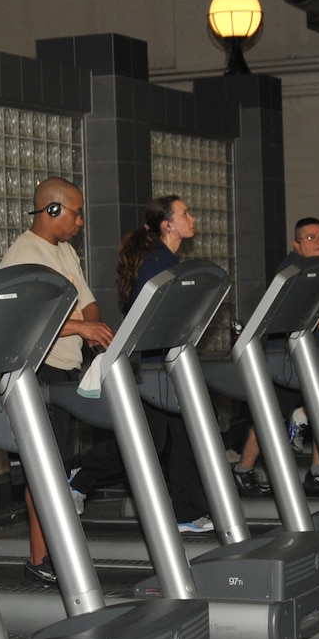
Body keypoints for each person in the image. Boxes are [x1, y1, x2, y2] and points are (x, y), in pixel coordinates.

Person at [0, 178, 114, 584]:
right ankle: (39, 558)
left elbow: (88, 300)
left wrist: (91, 324)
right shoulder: (23, 257)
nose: (80, 222)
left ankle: (53, 551)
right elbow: (23, 321)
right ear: (52, 211)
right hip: (35, 370)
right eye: (76, 213)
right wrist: (83, 329)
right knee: (42, 469)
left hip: (66, 368)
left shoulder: (64, 251)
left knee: (59, 466)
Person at [234, 218, 319, 500]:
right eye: (311, 238)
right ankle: (244, 469)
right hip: (282, 355)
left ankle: (316, 470)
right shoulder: (290, 270)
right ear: (296, 244)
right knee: (271, 416)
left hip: (307, 353)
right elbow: (286, 309)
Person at [111, 195, 211, 525]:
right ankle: (83, 477)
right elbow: (152, 315)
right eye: (185, 213)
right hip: (152, 363)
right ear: (168, 224)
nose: (192, 218)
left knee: (178, 435)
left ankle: (187, 511)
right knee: (152, 439)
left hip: (163, 360)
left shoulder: (164, 260)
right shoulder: (158, 263)